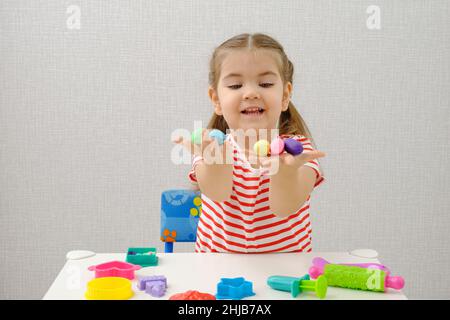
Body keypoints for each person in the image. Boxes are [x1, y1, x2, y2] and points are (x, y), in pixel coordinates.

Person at [173, 33, 326, 253]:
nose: (251, 93)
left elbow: (285, 207)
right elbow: (218, 192)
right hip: (214, 273)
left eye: (265, 83)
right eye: (235, 85)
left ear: (285, 95)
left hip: (286, 276)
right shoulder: (212, 147)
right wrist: (214, 160)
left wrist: (284, 171)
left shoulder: (299, 152)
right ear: (216, 99)